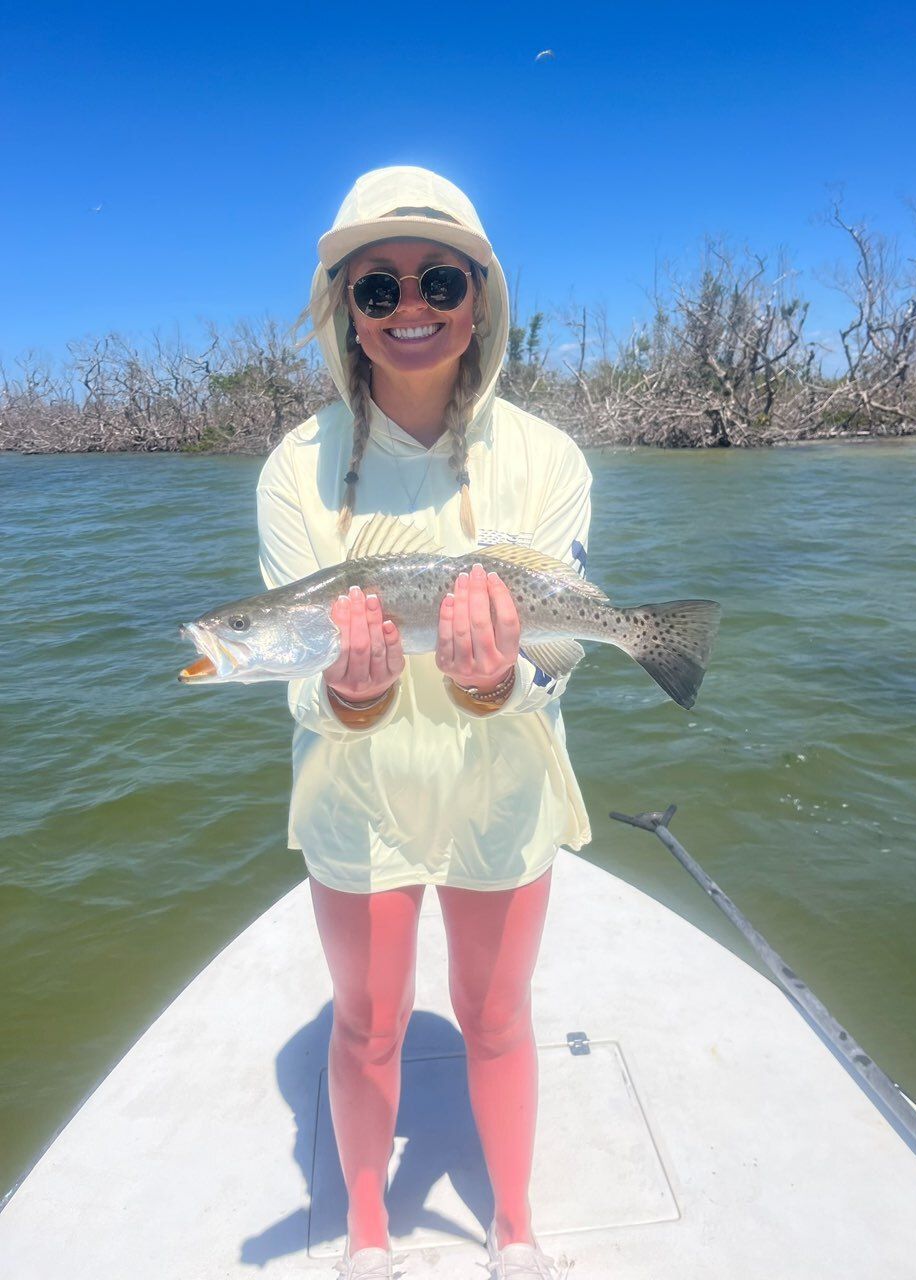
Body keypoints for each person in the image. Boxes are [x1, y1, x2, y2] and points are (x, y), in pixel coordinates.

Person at [256, 166, 591, 1280]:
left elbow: (562, 646)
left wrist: (504, 681)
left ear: (480, 298)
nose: (410, 304)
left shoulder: (549, 458)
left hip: (503, 777)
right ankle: (364, 1230)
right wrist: (347, 691)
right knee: (369, 1025)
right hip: (358, 787)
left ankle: (517, 1225)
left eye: (440, 277)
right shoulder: (291, 469)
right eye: (377, 284)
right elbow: (303, 678)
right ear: (342, 304)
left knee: (495, 1017)